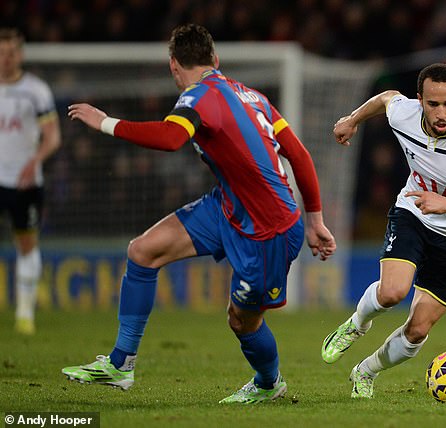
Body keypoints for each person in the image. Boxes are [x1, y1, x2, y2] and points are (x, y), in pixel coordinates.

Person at [61, 24, 336, 403]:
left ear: (174, 66)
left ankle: (269, 384)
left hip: (268, 230)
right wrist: (316, 218)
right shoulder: (252, 95)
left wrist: (105, 122)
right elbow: (300, 155)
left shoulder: (198, 97)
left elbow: (172, 139)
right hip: (227, 206)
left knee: (241, 321)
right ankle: (120, 363)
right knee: (142, 251)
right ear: (215, 60)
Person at [321, 63, 446, 398]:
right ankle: (357, 324)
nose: (441, 113)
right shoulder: (404, 114)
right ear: (419, 100)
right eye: (432, 104)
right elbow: (385, 98)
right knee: (392, 292)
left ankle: (365, 372)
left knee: (417, 329)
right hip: (414, 212)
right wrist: (352, 120)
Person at [0, 28, 61, 335]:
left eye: (11, 52)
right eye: (1, 52)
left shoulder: (35, 90)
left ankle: (25, 313)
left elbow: (52, 137)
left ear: (20, 55)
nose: (5, 59)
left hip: (25, 183)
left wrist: (34, 162)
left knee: (26, 245)